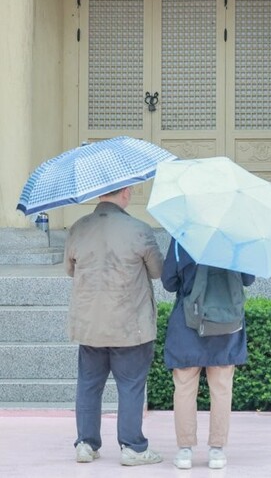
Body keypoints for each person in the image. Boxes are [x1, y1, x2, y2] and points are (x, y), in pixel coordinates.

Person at [64, 186, 164, 466]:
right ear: (126, 194)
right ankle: (132, 447)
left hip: (90, 324)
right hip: (130, 326)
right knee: (131, 386)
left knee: (88, 385)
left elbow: (69, 269)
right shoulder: (139, 229)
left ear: (99, 195)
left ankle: (86, 443)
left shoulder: (78, 228)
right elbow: (158, 271)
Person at [161, 239, 255, 470]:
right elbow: (248, 279)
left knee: (184, 387)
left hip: (188, 322)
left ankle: (184, 451)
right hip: (226, 325)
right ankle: (217, 451)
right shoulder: (236, 236)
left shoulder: (183, 236)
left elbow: (169, 282)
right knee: (222, 388)